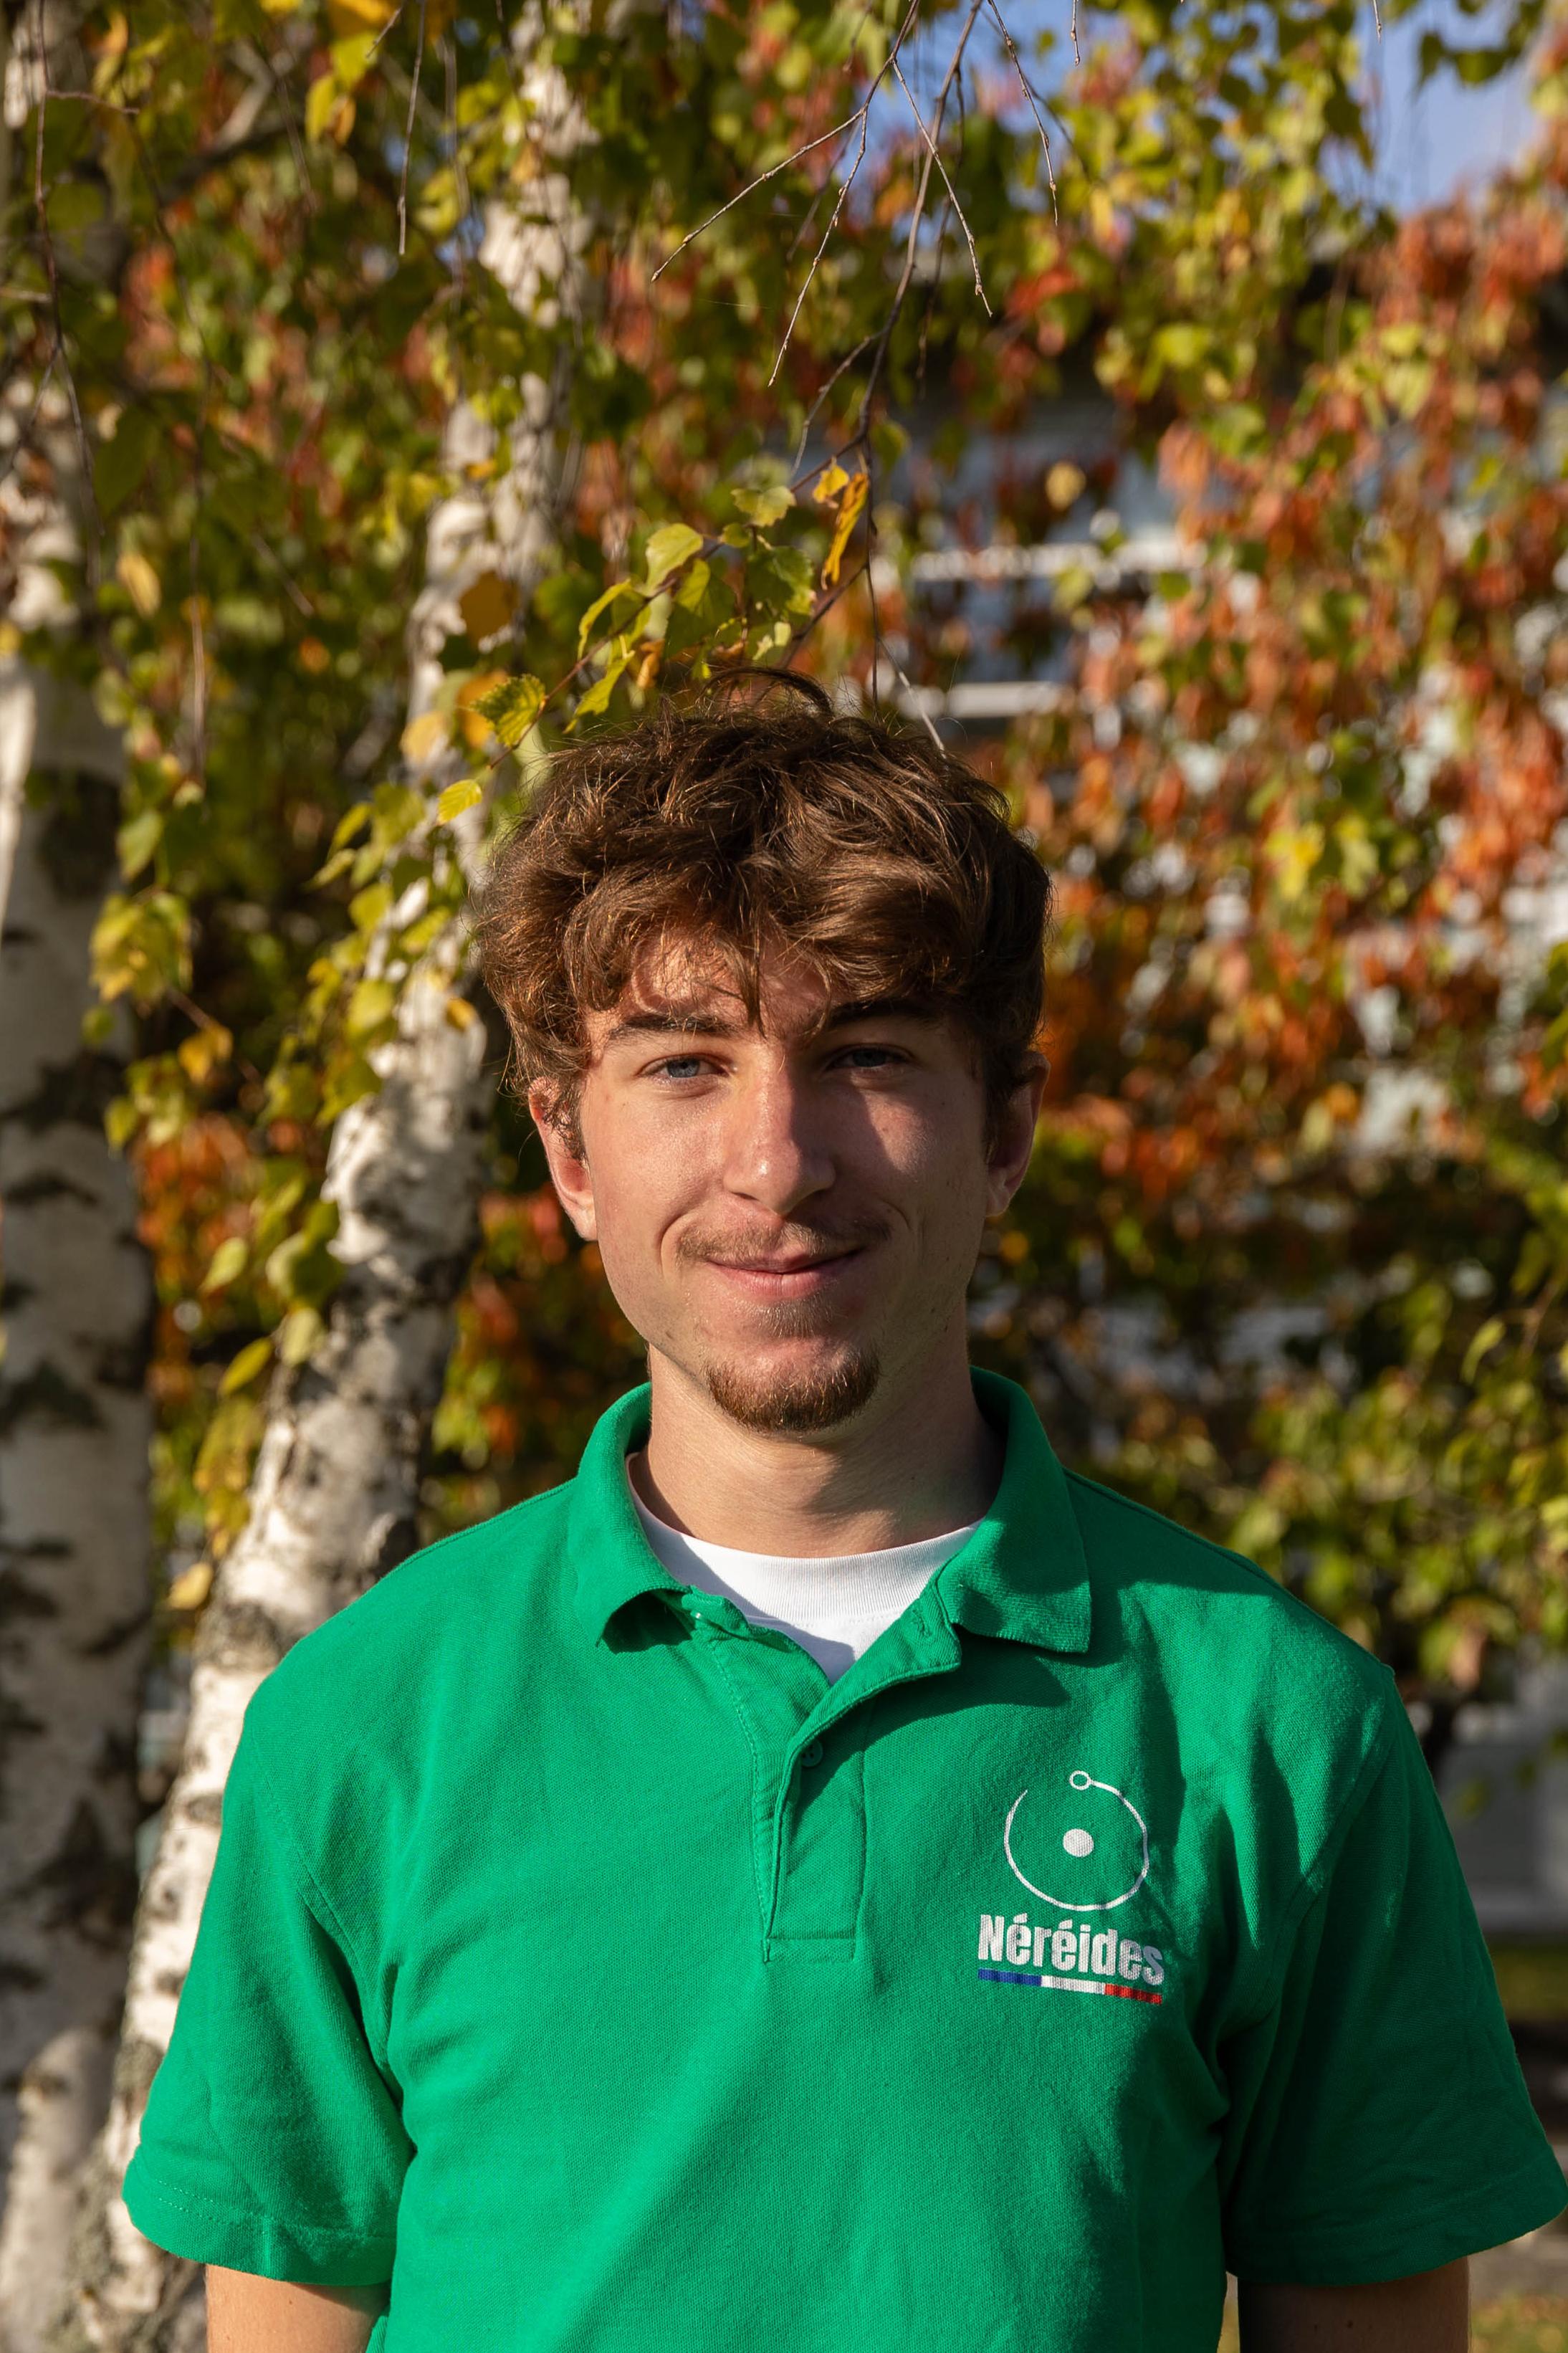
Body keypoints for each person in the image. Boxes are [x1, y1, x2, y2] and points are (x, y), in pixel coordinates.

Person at [124, 675, 1564, 2352]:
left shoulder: (1273, 1724)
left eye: (864, 1055)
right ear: (568, 1151)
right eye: (684, 1063)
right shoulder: (368, 1725)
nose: (777, 1160)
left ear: (1004, 1128)